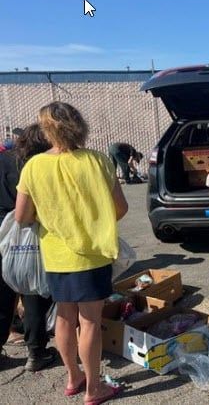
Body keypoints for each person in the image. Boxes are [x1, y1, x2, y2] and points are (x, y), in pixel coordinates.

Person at [15, 102, 128, 403]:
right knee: (90, 322)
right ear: (78, 125)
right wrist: (93, 221)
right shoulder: (98, 161)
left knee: (65, 317)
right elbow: (120, 208)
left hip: (56, 255)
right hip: (92, 253)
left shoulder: (34, 166)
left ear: (46, 130)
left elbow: (22, 216)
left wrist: (53, 218)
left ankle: (73, 377)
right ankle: (93, 388)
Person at [0, 124, 56, 371]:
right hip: (30, 235)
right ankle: (36, 353)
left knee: (2, 296)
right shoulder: (39, 166)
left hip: (2, 235)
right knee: (34, 293)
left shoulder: (3, 159)